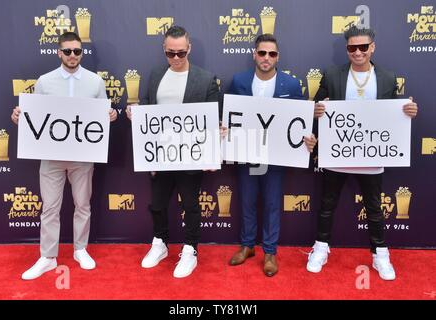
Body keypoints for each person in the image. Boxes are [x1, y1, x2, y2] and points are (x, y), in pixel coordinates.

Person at [307, 26, 418, 280]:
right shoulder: (333, 75)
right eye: (352, 48)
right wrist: (316, 112)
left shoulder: (388, 78)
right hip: (337, 154)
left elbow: (394, 115)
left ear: (372, 48)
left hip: (372, 155)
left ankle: (380, 254)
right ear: (347, 50)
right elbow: (316, 106)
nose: (358, 52)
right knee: (327, 205)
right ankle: (321, 248)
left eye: (363, 47)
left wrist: (408, 112)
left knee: (375, 208)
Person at [11, 32, 118, 280]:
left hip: (83, 156)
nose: (72, 56)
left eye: (77, 51)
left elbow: (102, 115)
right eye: (67, 51)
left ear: (82, 53)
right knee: (49, 207)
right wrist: (20, 117)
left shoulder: (95, 82)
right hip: (51, 156)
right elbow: (34, 117)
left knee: (83, 204)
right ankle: (48, 257)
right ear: (59, 52)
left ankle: (81, 249)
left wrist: (110, 116)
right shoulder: (44, 81)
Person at [126, 26, 220, 278]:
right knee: (156, 204)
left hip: (191, 156)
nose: (176, 58)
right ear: (164, 50)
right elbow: (147, 106)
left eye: (181, 53)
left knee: (190, 204)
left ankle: (190, 249)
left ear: (189, 48)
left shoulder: (206, 78)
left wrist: (212, 152)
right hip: (159, 154)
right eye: (170, 53)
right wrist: (135, 112)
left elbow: (213, 118)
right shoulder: (156, 74)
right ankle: (160, 243)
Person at [227, 34, 317, 277]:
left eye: (272, 54)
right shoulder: (238, 81)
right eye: (262, 52)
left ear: (278, 57)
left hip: (276, 156)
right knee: (246, 201)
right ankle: (247, 246)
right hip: (246, 153)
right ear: (254, 54)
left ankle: (269, 251)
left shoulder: (291, 84)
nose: (267, 58)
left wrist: (308, 138)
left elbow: (299, 123)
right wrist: (225, 129)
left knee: (271, 204)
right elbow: (230, 115)